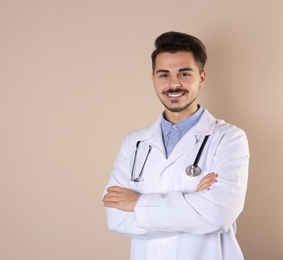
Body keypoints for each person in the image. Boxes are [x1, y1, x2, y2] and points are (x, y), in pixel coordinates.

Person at [102, 31, 249, 260]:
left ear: (202, 77)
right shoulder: (134, 143)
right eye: (164, 75)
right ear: (153, 79)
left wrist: (137, 203)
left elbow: (219, 214)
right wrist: (193, 203)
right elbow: (116, 218)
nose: (173, 84)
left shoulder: (229, 138)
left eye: (184, 73)